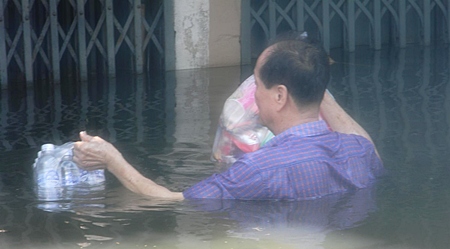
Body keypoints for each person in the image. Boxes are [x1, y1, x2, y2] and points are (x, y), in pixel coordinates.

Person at [73, 35, 384, 201]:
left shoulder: (260, 170)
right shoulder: (358, 152)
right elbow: (365, 146)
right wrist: (315, 86)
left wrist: (112, 160)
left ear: (279, 96)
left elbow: (169, 200)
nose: (252, 93)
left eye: (256, 84)